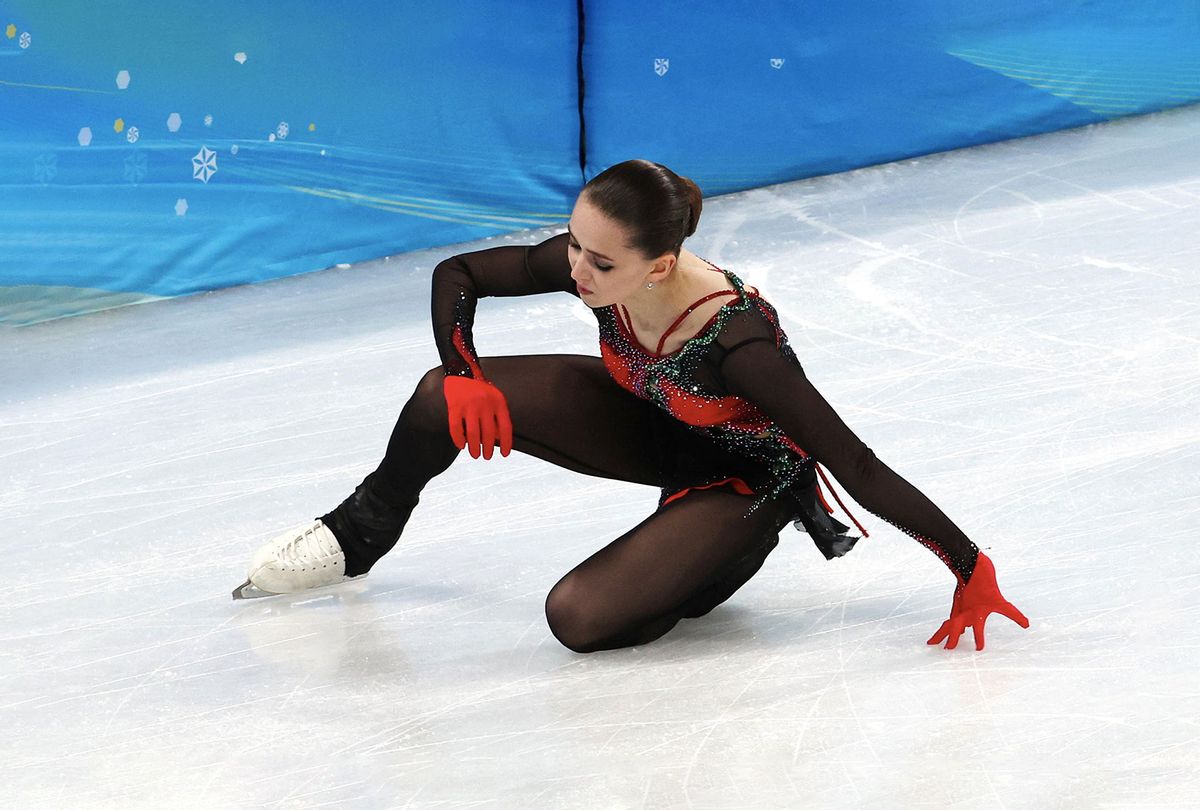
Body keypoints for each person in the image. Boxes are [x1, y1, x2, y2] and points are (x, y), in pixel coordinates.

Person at [234, 159, 1029, 654]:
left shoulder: (739, 345)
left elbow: (853, 461)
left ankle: (721, 552)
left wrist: (968, 565)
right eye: (572, 243)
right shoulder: (600, 260)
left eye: (597, 260)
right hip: (658, 421)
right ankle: (358, 532)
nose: (574, 269)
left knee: (579, 619)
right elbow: (460, 274)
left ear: (661, 267)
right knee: (442, 396)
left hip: (745, 478)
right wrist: (466, 369)